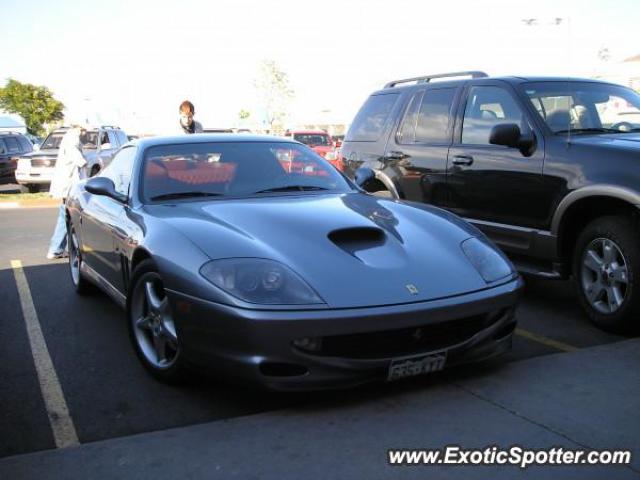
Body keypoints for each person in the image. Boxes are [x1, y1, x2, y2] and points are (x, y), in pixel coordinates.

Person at [46, 127, 87, 259]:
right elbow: (80, 161)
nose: (84, 134)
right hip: (69, 187)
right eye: (83, 131)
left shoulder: (69, 141)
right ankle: (56, 248)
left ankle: (66, 248)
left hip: (68, 186)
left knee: (67, 216)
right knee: (66, 216)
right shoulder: (71, 142)